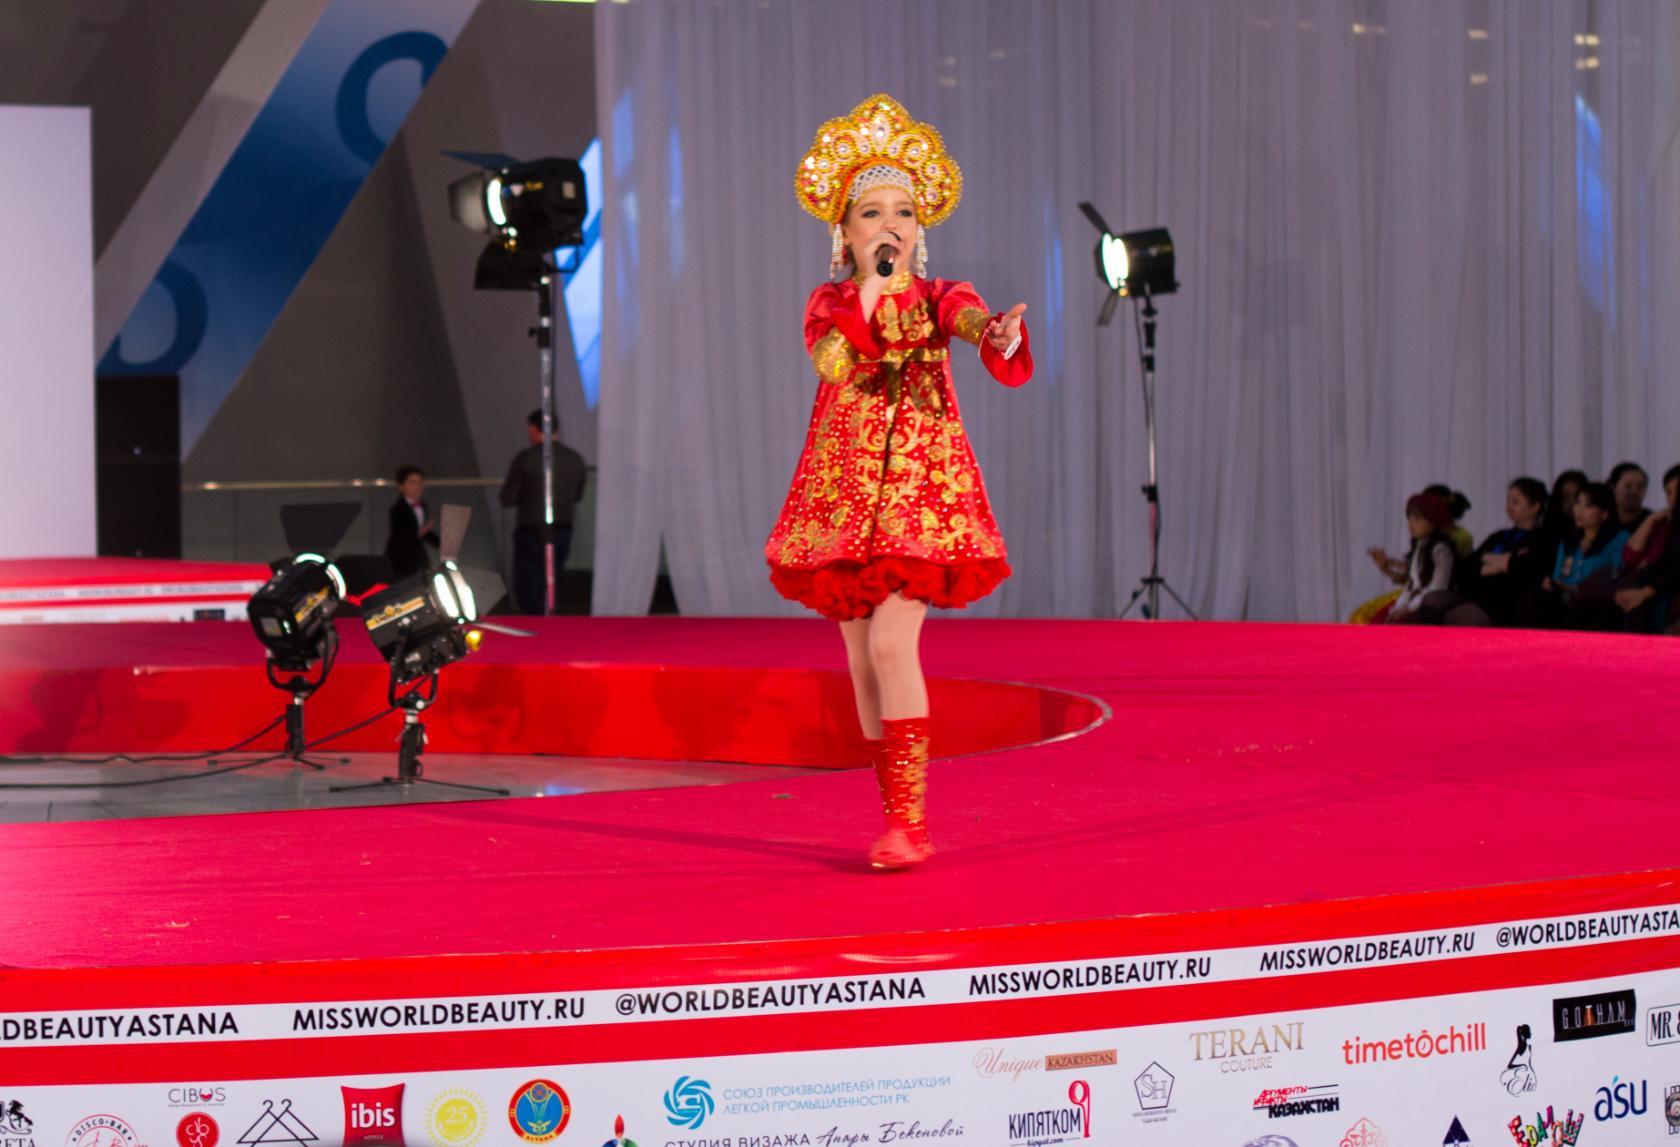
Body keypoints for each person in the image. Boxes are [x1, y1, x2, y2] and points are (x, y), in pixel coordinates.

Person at [766, 94, 1031, 870]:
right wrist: (872, 294)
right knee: (859, 660)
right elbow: (832, 361)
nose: (892, 226)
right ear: (844, 233)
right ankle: (893, 818)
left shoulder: (942, 294)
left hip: (919, 490)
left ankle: (911, 824)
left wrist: (996, 332)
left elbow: (971, 321)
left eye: (905, 213)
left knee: (889, 642)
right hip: (844, 493)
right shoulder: (830, 303)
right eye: (873, 213)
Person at [1429, 478, 1551, 627]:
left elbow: (1524, 570)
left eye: (1515, 502)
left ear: (1535, 507)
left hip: (1502, 601)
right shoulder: (1500, 536)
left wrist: (1492, 560)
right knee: (1433, 600)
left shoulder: (1541, 538)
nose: (1509, 506)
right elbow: (1469, 565)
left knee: (1455, 617)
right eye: (1508, 501)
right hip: (1476, 593)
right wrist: (1495, 565)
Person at [500, 410, 588, 615]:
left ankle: (535, 622)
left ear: (534, 429)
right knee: (553, 579)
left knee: (528, 584)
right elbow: (578, 495)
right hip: (562, 528)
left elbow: (508, 497)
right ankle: (550, 617)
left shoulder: (526, 458)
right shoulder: (574, 459)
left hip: (531, 529)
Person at [1521, 482, 1629, 630]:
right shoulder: (1569, 540)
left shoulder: (1620, 538)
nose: (1579, 511)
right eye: (1578, 503)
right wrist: (1552, 583)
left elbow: (1618, 575)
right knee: (1535, 598)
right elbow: (1558, 576)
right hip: (1566, 598)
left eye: (1588, 506)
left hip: (1599, 601)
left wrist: (1580, 588)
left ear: (1605, 513)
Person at [1614, 463, 1679, 632]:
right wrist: (1650, 520)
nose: (1673, 498)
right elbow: (1631, 558)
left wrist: (1645, 592)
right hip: (1659, 586)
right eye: (1669, 492)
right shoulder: (1666, 523)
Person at [1386, 492, 1456, 624]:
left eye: (1417, 519)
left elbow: (1437, 588)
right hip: (1417, 600)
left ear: (1432, 522)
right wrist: (1399, 606)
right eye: (1409, 519)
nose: (1411, 524)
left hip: (1433, 605)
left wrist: (1408, 608)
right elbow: (1412, 584)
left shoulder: (1441, 550)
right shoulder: (1419, 545)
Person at [384, 464, 439, 579]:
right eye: (412, 483)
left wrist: (443, 545)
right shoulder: (398, 509)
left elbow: (424, 532)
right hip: (401, 557)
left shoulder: (422, 506)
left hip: (417, 556)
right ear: (401, 487)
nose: (417, 486)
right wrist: (420, 532)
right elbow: (399, 535)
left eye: (420, 483)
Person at [1608, 461, 1651, 537]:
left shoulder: (1652, 522)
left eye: (1640, 487)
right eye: (1628, 487)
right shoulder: (1602, 520)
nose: (1634, 492)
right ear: (1612, 488)